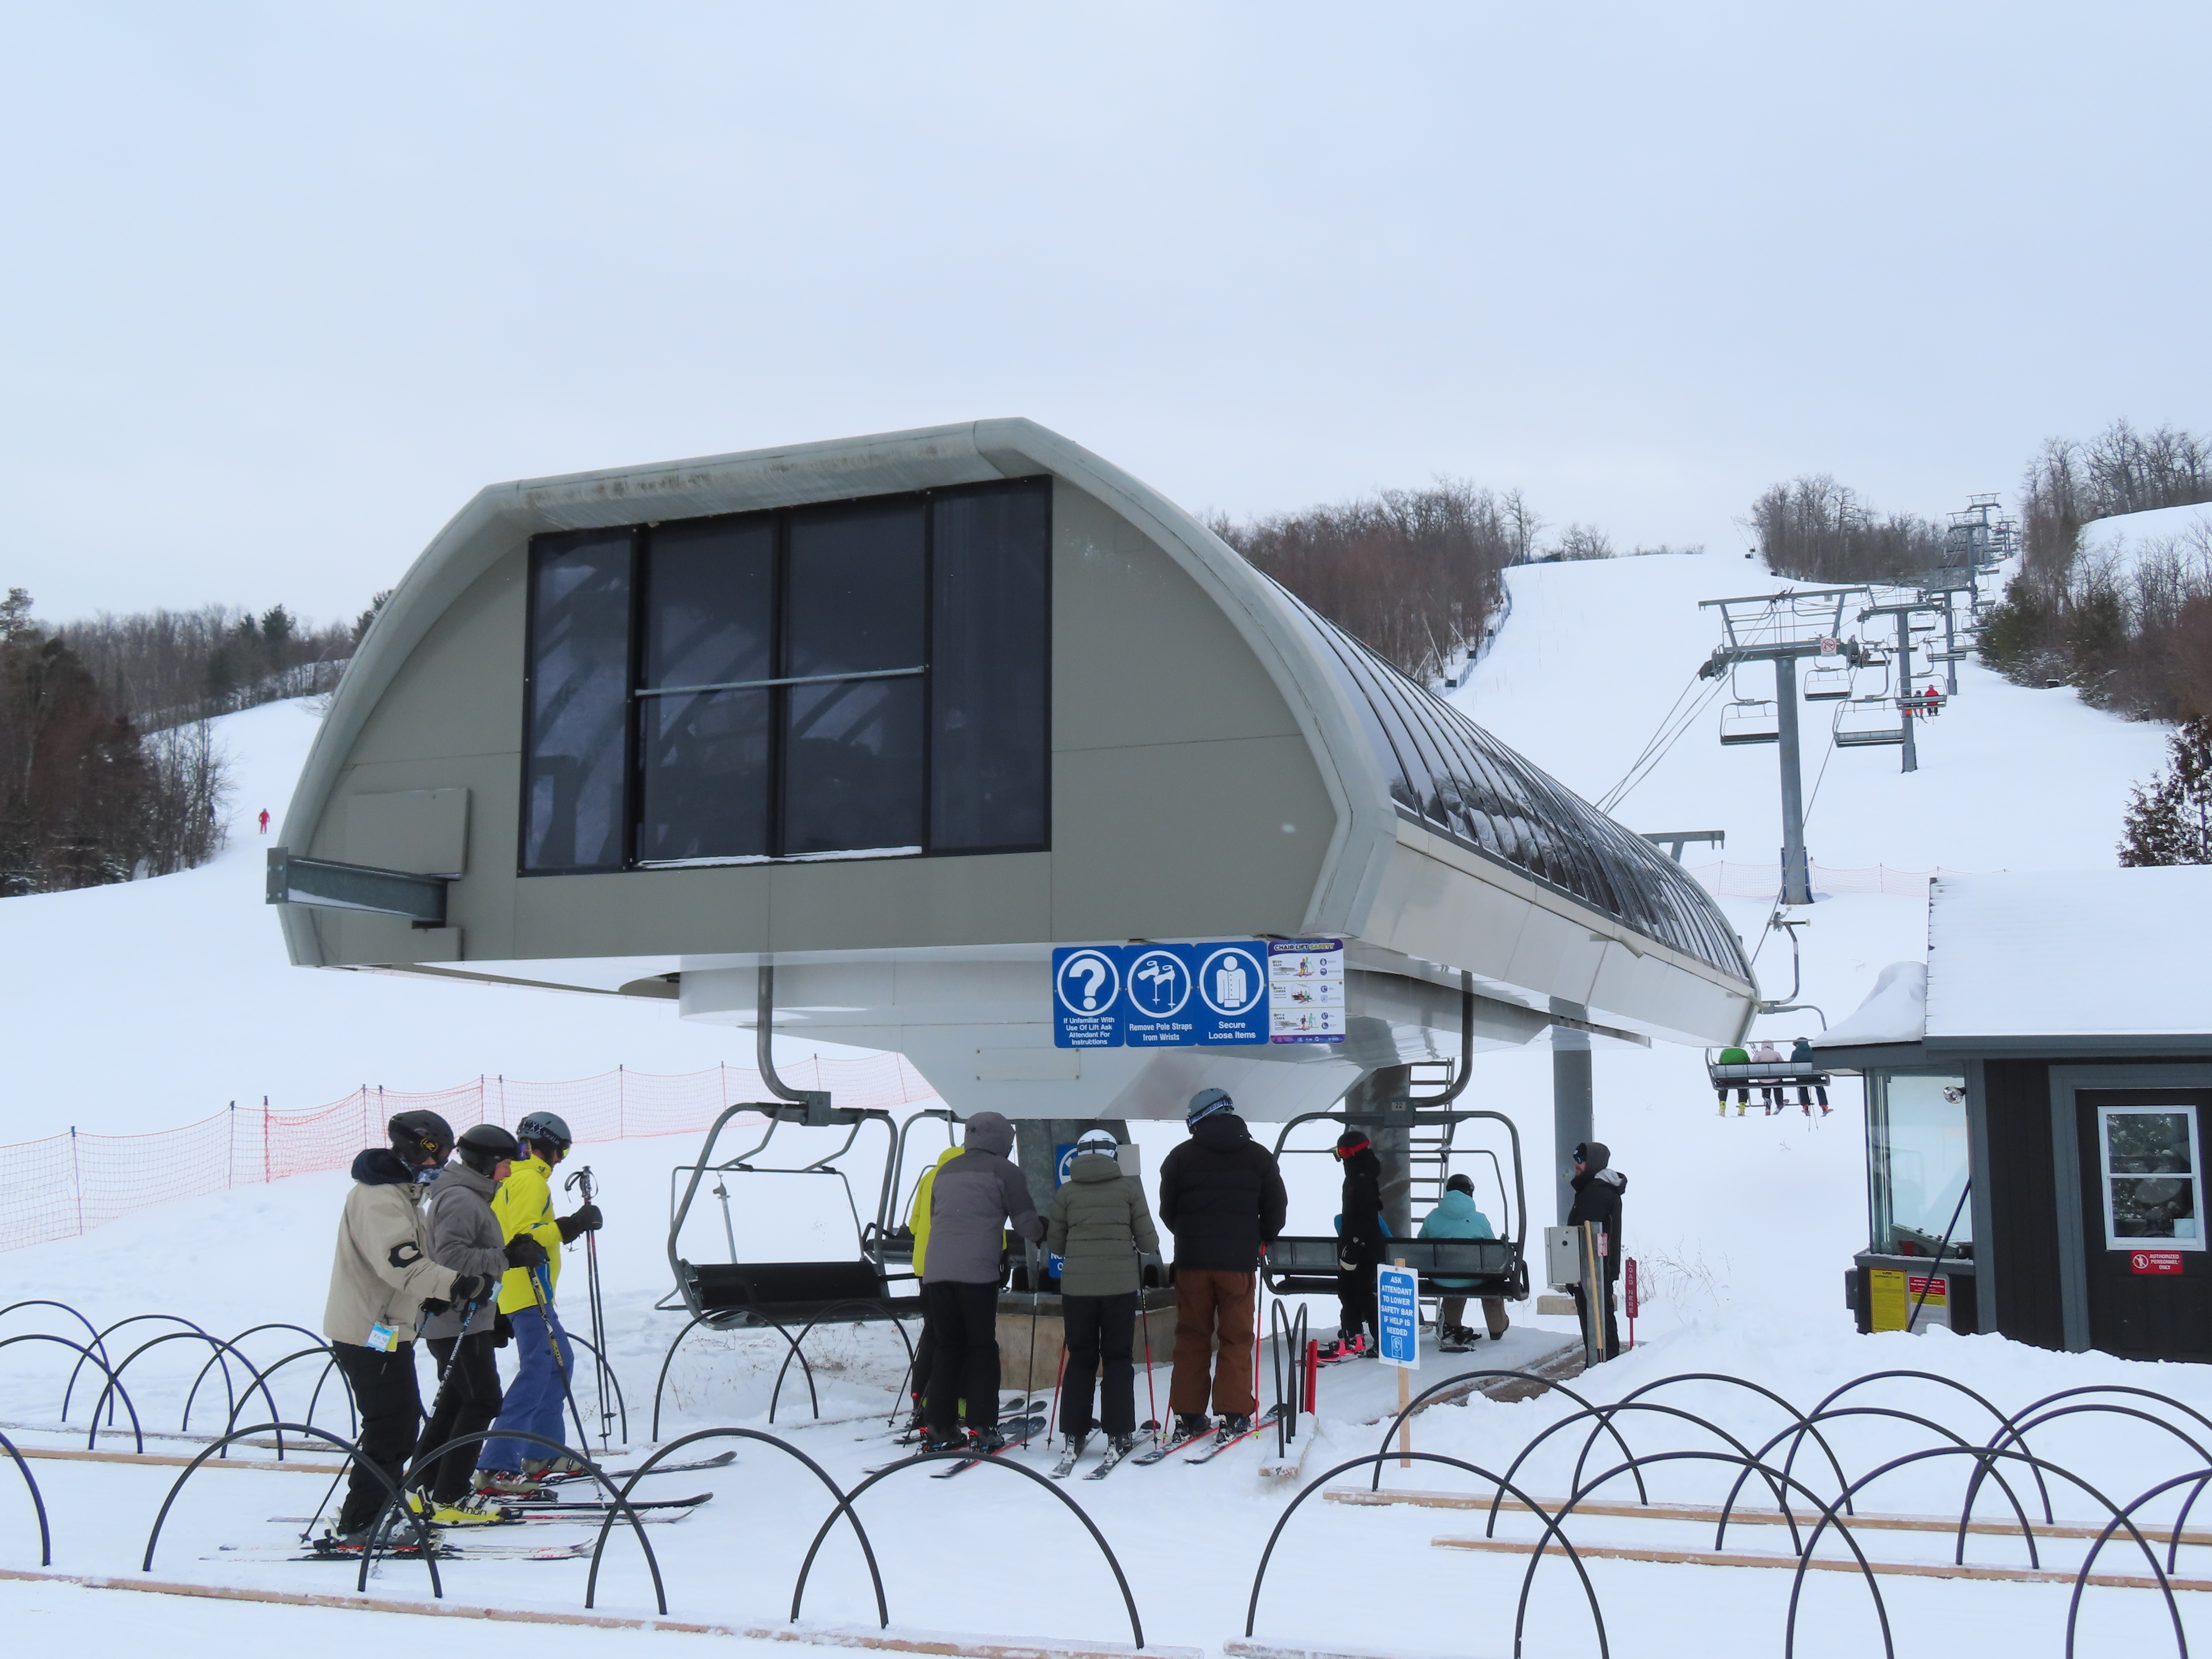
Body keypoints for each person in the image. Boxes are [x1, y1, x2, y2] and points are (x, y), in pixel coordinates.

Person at [320, 1109, 487, 1545]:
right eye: (438, 1156)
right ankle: (362, 1523)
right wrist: (458, 1284)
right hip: (368, 1331)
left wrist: (431, 1296)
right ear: (416, 1151)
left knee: (398, 1423)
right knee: (390, 1427)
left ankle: (375, 1512)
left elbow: (404, 1268)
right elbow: (402, 1263)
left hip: (387, 1327)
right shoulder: (379, 1199)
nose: (442, 1165)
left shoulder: (402, 1195)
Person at [412, 1122, 542, 1519]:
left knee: (456, 1402)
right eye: (505, 1163)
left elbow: (469, 1255)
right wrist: (507, 1257)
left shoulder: (471, 1194)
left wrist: (494, 1311)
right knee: (482, 1400)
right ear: (486, 1162)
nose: (509, 1171)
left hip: (465, 1315)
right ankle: (450, 1496)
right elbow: (450, 1258)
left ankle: (422, 1488)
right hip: (455, 1317)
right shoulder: (460, 1198)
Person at [474, 1111, 600, 1496]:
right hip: (527, 1292)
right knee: (539, 1370)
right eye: (561, 1150)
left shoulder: (515, 1178)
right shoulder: (529, 1180)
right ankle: (497, 1464)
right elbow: (522, 1235)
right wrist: (571, 1225)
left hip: (528, 1292)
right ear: (545, 1146)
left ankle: (541, 1453)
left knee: (558, 1364)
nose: (560, 1159)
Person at [1157, 1088, 1287, 1441]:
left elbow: (1168, 1211)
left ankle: (1188, 1415)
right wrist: (1259, 1236)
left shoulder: (1179, 1158)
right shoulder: (1259, 1157)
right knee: (1236, 1337)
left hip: (1192, 1264)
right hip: (1238, 1264)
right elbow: (1277, 1210)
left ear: (1197, 1121)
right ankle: (1233, 1413)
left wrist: (1190, 1236)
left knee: (1191, 1336)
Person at [920, 1111, 1045, 1452]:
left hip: (936, 1272)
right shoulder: (1006, 1172)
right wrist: (1044, 1230)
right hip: (976, 1275)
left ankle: (939, 1425)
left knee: (947, 1347)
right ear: (1003, 1140)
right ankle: (983, 1426)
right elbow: (1026, 1225)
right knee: (981, 1348)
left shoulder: (945, 1172)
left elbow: (937, 1217)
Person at [1045, 1127, 1160, 1458]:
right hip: (1119, 1288)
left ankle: (1074, 1432)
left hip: (1077, 1290)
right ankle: (1119, 1433)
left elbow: (1056, 1245)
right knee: (1118, 1358)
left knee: (1081, 1357)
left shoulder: (1067, 1193)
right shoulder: (1129, 1190)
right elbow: (1149, 1243)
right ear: (1113, 1154)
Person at [1419, 1173, 1506, 1352]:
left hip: (1440, 1278)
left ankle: (1451, 1325)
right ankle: (1497, 1327)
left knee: (1453, 1277)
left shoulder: (1432, 1217)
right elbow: (1493, 1252)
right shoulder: (1479, 1219)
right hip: (1472, 1277)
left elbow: (1421, 1245)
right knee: (1482, 1281)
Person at [1327, 1128, 1387, 1359]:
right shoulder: (1355, 1178)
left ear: (1354, 1153)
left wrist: (1355, 1245)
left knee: (1361, 1293)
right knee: (1347, 1290)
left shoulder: (1363, 1179)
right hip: (1353, 1246)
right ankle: (1353, 1337)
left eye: (1343, 1153)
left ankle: (1380, 1340)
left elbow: (1367, 1218)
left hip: (1364, 1248)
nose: (1342, 1158)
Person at [1566, 1141, 1627, 1360]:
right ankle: (1605, 1362)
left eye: (1581, 1160)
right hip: (1599, 1269)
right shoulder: (1595, 1189)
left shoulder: (1596, 1192)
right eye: (1575, 1159)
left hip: (1594, 1270)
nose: (1576, 1165)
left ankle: (1602, 1364)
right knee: (1602, 1319)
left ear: (1593, 1163)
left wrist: (1575, 1272)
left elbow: (1587, 1236)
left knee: (1597, 1323)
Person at [1791, 1036, 1831, 1116]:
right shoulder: (1813, 1051)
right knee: (1819, 1087)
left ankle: (1805, 1105)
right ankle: (1824, 1105)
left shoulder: (1795, 1053)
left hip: (1802, 1077)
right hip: (1815, 1076)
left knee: (1802, 1086)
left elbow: (1792, 1064)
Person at [1714, 1043, 1750, 1115]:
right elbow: (1748, 1063)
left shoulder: (1725, 1052)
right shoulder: (1743, 1052)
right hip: (1741, 1079)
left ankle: (1722, 1105)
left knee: (1723, 1085)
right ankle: (1742, 1106)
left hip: (1727, 1079)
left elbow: (1721, 1063)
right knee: (1743, 1086)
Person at [1751, 1040, 1785, 1115]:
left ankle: (1767, 1102)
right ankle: (1779, 1103)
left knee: (1765, 1086)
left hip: (1763, 1079)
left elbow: (1752, 1064)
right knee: (1778, 1087)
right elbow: (1783, 1064)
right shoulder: (1776, 1054)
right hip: (1776, 1079)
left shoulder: (1758, 1054)